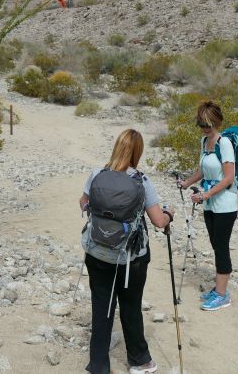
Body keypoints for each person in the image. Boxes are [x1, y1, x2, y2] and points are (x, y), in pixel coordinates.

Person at [79, 128, 173, 374]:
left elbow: (83, 202)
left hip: (97, 252)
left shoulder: (97, 174)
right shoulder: (142, 181)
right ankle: (139, 361)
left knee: (101, 306)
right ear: (137, 152)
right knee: (130, 307)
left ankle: (99, 364)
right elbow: (158, 221)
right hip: (131, 259)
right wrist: (169, 212)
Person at [178, 99, 237, 311]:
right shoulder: (204, 143)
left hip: (224, 205)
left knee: (221, 247)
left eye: (207, 125)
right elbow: (203, 171)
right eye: (200, 125)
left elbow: (228, 178)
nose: (203, 129)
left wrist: (205, 195)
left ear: (216, 123)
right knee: (215, 245)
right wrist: (186, 183)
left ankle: (222, 295)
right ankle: (218, 289)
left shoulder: (225, 144)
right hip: (210, 205)